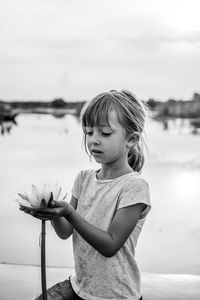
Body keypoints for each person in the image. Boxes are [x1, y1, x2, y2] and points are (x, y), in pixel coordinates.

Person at [21, 90, 151, 300]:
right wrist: (52, 213)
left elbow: (110, 245)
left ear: (131, 139)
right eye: (89, 132)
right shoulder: (83, 178)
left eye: (105, 133)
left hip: (115, 295)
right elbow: (66, 232)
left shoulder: (134, 186)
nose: (94, 140)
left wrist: (70, 212)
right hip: (80, 285)